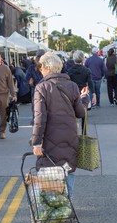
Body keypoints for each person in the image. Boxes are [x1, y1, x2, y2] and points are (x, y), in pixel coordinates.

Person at [32, 52, 89, 198]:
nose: (40, 70)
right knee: (67, 168)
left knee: (49, 169)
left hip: (49, 136)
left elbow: (40, 117)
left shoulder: (42, 87)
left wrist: (36, 143)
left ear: (46, 68)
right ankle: (68, 204)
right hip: (70, 135)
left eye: (41, 67)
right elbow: (80, 113)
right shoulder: (72, 86)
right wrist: (84, 99)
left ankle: (52, 206)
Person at [25, 49, 44, 125]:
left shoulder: (32, 68)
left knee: (36, 110)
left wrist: (30, 82)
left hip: (36, 91)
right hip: (46, 91)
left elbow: (26, 80)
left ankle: (36, 130)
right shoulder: (48, 67)